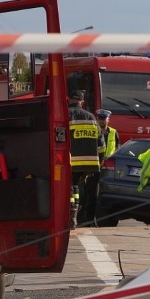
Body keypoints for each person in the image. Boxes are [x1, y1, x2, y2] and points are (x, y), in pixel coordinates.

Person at [67, 90, 104, 229]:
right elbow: (102, 146)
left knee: (70, 189)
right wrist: (98, 162)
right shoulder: (91, 118)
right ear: (81, 102)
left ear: (69, 100)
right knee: (76, 188)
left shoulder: (66, 115)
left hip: (70, 162)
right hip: (89, 164)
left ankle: (71, 216)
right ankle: (75, 216)